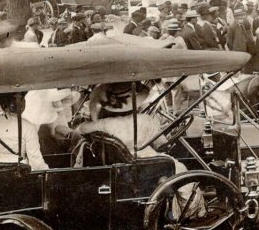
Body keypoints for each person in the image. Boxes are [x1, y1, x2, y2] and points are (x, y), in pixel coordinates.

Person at [78, 82, 204, 218]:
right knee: (181, 169)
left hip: (123, 167)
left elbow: (82, 128)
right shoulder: (145, 120)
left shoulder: (103, 125)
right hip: (149, 165)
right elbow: (161, 144)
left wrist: (97, 116)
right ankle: (190, 212)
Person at [0, 92, 48, 171]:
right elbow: (35, 159)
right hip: (18, 169)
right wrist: (47, 172)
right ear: (21, 104)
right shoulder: (28, 127)